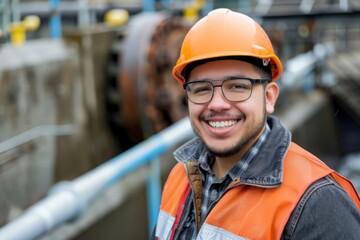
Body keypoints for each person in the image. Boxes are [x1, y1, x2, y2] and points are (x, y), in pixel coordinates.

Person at [152, 8, 360, 240]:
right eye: (201, 89)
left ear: (269, 97)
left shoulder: (318, 204)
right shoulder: (179, 177)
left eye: (238, 86)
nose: (217, 104)